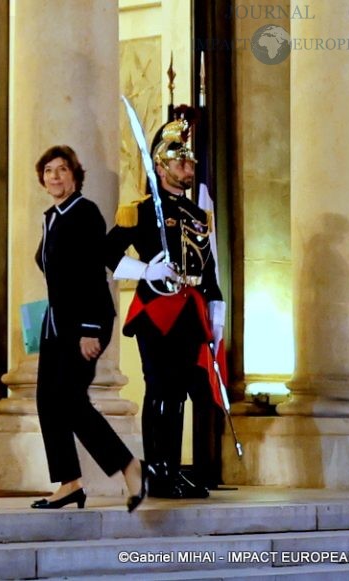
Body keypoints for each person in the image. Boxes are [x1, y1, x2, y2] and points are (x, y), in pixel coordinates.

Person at [106, 115, 225, 499]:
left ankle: (172, 467)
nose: (188, 167)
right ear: (160, 165)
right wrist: (145, 269)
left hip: (191, 310)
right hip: (158, 309)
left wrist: (217, 308)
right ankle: (156, 470)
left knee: (184, 392)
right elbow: (106, 253)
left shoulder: (196, 215)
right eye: (181, 161)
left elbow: (207, 269)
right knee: (161, 388)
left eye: (189, 162)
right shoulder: (139, 210)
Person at [30, 145, 151, 512]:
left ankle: (131, 468)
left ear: (75, 175)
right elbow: (53, 271)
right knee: (48, 402)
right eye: (48, 170)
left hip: (86, 322)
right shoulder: (52, 216)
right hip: (56, 324)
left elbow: (91, 274)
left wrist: (88, 329)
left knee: (70, 400)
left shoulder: (84, 213)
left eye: (62, 169)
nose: (54, 176)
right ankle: (70, 483)